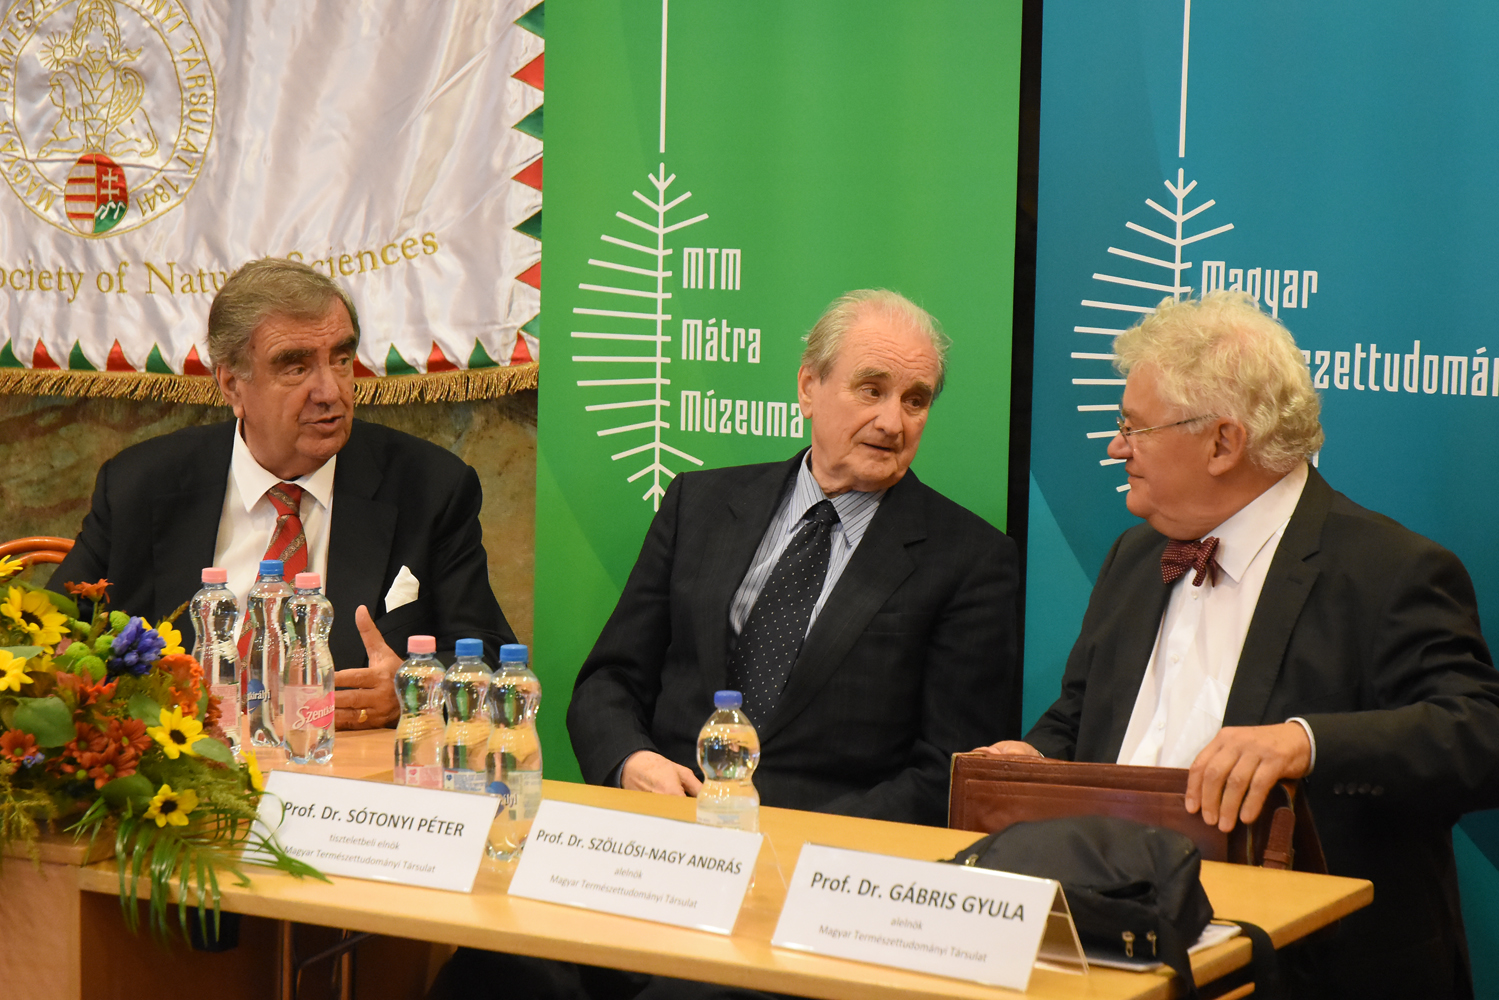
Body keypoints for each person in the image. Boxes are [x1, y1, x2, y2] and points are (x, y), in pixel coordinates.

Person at [979, 291, 1499, 999]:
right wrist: (1034, 763)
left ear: (1222, 443)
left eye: (1132, 427)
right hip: (1114, 946)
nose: (1116, 447)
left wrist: (1303, 742)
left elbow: (1480, 737)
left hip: (1305, 966)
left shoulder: (1389, 569)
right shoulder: (1135, 557)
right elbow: (1078, 718)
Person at [567, 288, 1019, 825]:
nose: (892, 422)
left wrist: (803, 838)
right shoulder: (699, 505)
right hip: (669, 830)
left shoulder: (972, 560)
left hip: (832, 854)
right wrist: (631, 762)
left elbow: (951, 769)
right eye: (871, 390)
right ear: (809, 387)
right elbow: (610, 680)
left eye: (914, 401)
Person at [53, 257, 515, 730]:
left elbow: (491, 656)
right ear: (232, 385)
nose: (330, 391)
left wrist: (412, 689)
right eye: (296, 368)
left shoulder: (429, 487)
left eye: (341, 360)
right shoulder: (141, 485)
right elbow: (51, 635)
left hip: (342, 764)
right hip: (182, 756)